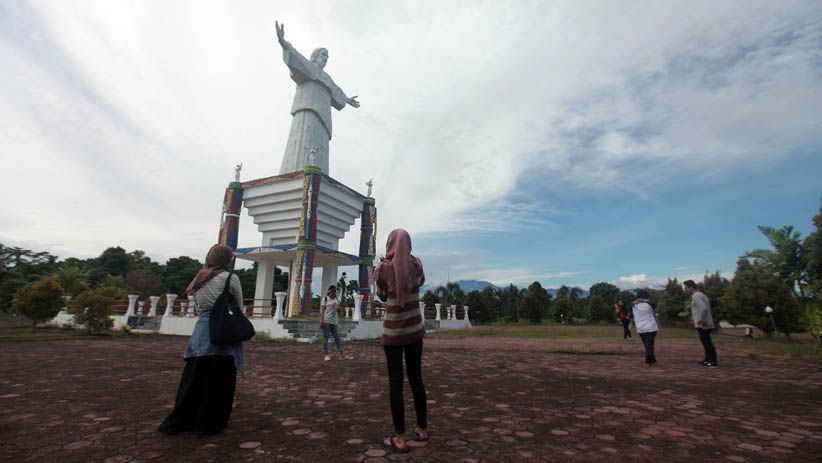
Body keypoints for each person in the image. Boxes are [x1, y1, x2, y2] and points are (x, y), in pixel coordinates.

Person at [158, 244, 246, 436]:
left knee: (194, 380)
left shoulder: (199, 278)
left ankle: (184, 420)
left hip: (201, 333)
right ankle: (210, 423)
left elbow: (199, 306)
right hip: (222, 334)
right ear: (226, 259)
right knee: (219, 382)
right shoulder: (231, 278)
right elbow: (239, 307)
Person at [274, 21, 360, 175]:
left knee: (319, 145)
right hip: (307, 113)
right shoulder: (308, 67)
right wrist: (283, 43)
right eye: (323, 55)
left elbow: (336, 91)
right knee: (302, 141)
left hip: (322, 119)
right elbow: (295, 56)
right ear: (315, 56)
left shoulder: (326, 77)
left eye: (327, 56)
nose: (326, 58)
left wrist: (347, 99)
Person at [373, 229, 428, 453]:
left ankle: (400, 436)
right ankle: (422, 428)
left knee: (395, 381)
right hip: (414, 331)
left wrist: (385, 267)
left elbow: (382, 296)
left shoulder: (383, 269)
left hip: (393, 333)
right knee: (416, 379)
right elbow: (421, 283)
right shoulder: (417, 265)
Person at [683, 280, 718, 367]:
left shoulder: (696, 296)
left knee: (707, 342)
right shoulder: (701, 294)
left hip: (703, 324)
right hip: (706, 323)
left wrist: (701, 319)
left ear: (691, 287)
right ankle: (707, 359)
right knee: (706, 342)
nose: (685, 289)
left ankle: (713, 361)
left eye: (686, 288)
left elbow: (703, 308)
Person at [320, 285, 347, 361]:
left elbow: (339, 311)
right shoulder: (325, 299)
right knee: (326, 338)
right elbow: (322, 311)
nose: (334, 293)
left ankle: (342, 355)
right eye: (332, 291)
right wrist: (321, 321)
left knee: (337, 338)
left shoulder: (336, 300)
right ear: (329, 291)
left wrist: (338, 308)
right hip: (326, 321)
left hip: (334, 322)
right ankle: (326, 355)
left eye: (335, 291)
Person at [631, 290, 658, 366]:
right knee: (649, 344)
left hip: (640, 328)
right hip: (651, 327)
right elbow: (654, 304)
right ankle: (649, 361)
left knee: (647, 344)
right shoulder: (650, 304)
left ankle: (652, 359)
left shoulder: (633, 305)